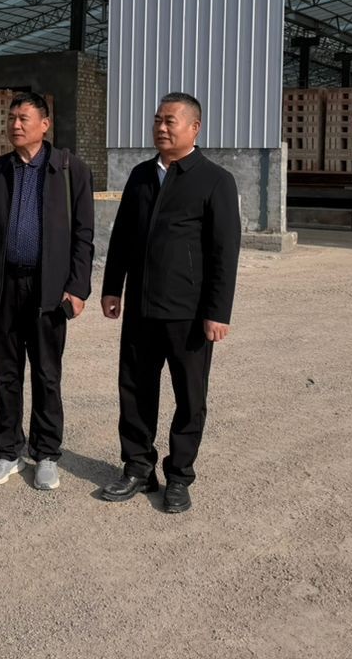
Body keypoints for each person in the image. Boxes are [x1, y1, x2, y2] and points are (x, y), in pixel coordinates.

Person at [99, 92, 241, 513]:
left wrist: (217, 312)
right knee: (134, 390)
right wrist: (112, 287)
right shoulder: (141, 175)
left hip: (189, 314)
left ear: (194, 128)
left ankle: (179, 476)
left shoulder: (215, 180)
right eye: (157, 120)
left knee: (190, 397)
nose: (161, 128)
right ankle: (138, 468)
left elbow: (224, 252)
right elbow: (123, 236)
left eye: (170, 121)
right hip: (142, 309)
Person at [0, 92, 94, 491]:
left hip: (49, 290)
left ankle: (46, 454)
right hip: (3, 287)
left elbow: (84, 235)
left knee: (46, 374)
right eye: (11, 118)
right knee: (6, 374)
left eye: (24, 118)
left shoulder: (70, 170)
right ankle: (7, 451)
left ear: (45, 124)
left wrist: (78, 287)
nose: (15, 125)